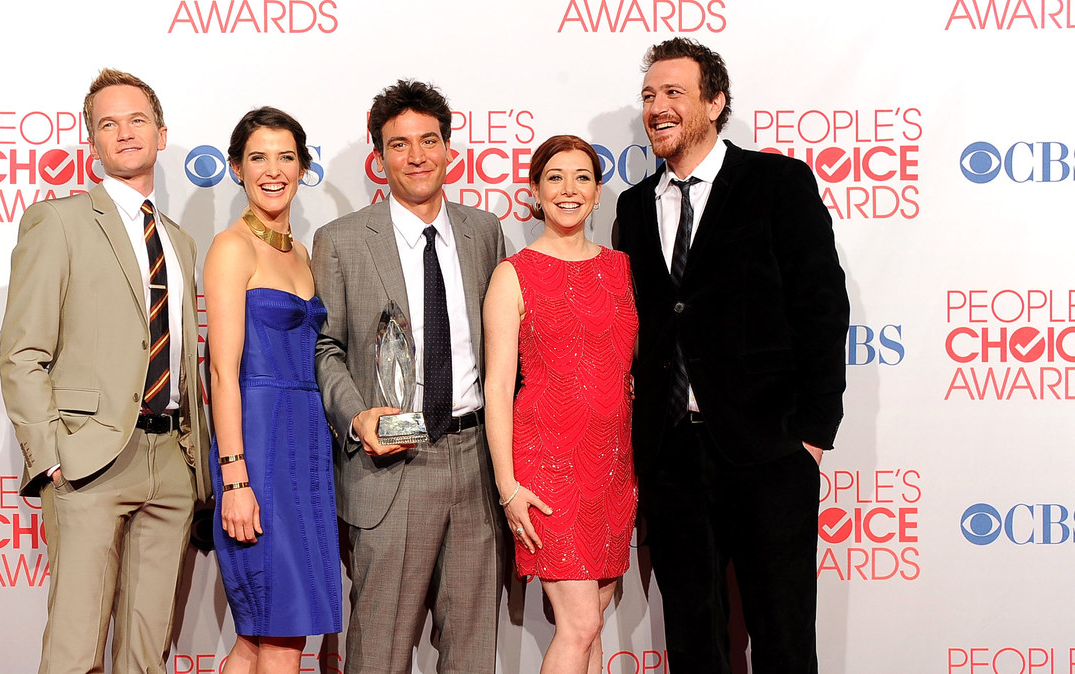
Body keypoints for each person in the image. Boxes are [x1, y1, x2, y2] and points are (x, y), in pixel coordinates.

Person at [613, 38, 849, 673]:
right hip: (671, 461)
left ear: (714, 102)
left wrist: (811, 433)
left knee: (784, 639)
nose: (655, 107)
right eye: (647, 96)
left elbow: (823, 309)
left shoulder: (777, 182)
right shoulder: (633, 207)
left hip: (769, 452)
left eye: (672, 94)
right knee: (694, 644)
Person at [0, 68, 210, 674]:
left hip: (170, 460)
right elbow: (22, 352)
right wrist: (50, 453)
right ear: (91, 140)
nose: (124, 132)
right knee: (74, 649)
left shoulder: (180, 239)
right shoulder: (58, 221)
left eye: (137, 119)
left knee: (146, 652)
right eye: (107, 123)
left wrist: (194, 460)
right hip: (89, 458)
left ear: (161, 134)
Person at [312, 79, 506, 674]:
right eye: (399, 144)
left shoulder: (484, 232)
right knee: (378, 651)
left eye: (428, 141)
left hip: (476, 457)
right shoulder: (340, 241)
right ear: (380, 157)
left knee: (472, 651)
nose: (416, 155)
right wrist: (356, 414)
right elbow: (325, 346)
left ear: (450, 148)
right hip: (391, 460)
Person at [484, 135, 639, 674]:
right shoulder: (514, 274)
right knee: (579, 626)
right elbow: (498, 391)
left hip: (614, 471)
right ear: (533, 192)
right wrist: (509, 488)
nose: (569, 189)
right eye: (554, 177)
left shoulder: (622, 269)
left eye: (582, 178)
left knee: (592, 619)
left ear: (598, 193)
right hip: (547, 471)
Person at [203, 106, 342, 673]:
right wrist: (234, 475)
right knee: (281, 634)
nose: (273, 169)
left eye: (286, 156)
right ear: (237, 168)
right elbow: (221, 372)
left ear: (304, 166)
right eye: (258, 157)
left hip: (307, 449)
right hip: (256, 445)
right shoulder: (231, 248)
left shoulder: (301, 253)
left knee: (264, 636)